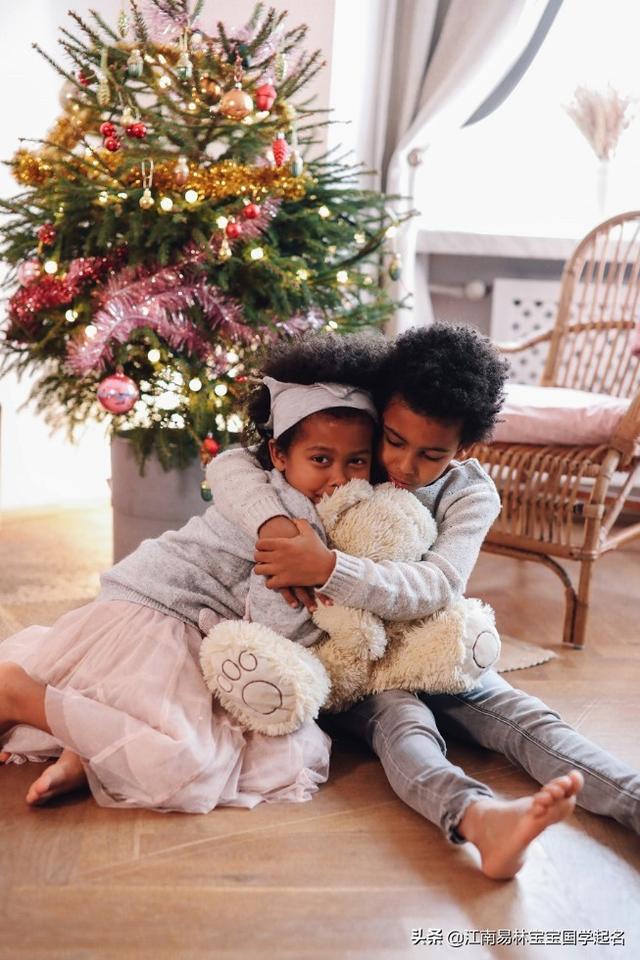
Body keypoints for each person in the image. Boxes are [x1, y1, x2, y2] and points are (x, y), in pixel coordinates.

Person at [207, 322, 640, 880]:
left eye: (431, 453)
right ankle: (480, 820)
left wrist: (331, 568)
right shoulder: (349, 454)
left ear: (464, 448)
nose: (405, 466)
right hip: (356, 665)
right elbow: (231, 463)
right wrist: (272, 522)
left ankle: (631, 799)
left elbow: (438, 586)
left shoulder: (469, 493)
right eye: (394, 440)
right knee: (404, 724)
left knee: (527, 717)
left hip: (434, 648)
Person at [0, 335, 384, 813]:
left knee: (200, 736)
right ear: (279, 455)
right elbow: (277, 623)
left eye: (356, 462)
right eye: (321, 460)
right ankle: (17, 694)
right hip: (160, 615)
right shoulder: (295, 522)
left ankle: (87, 751)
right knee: (188, 761)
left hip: (185, 619)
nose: (339, 477)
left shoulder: (305, 500)